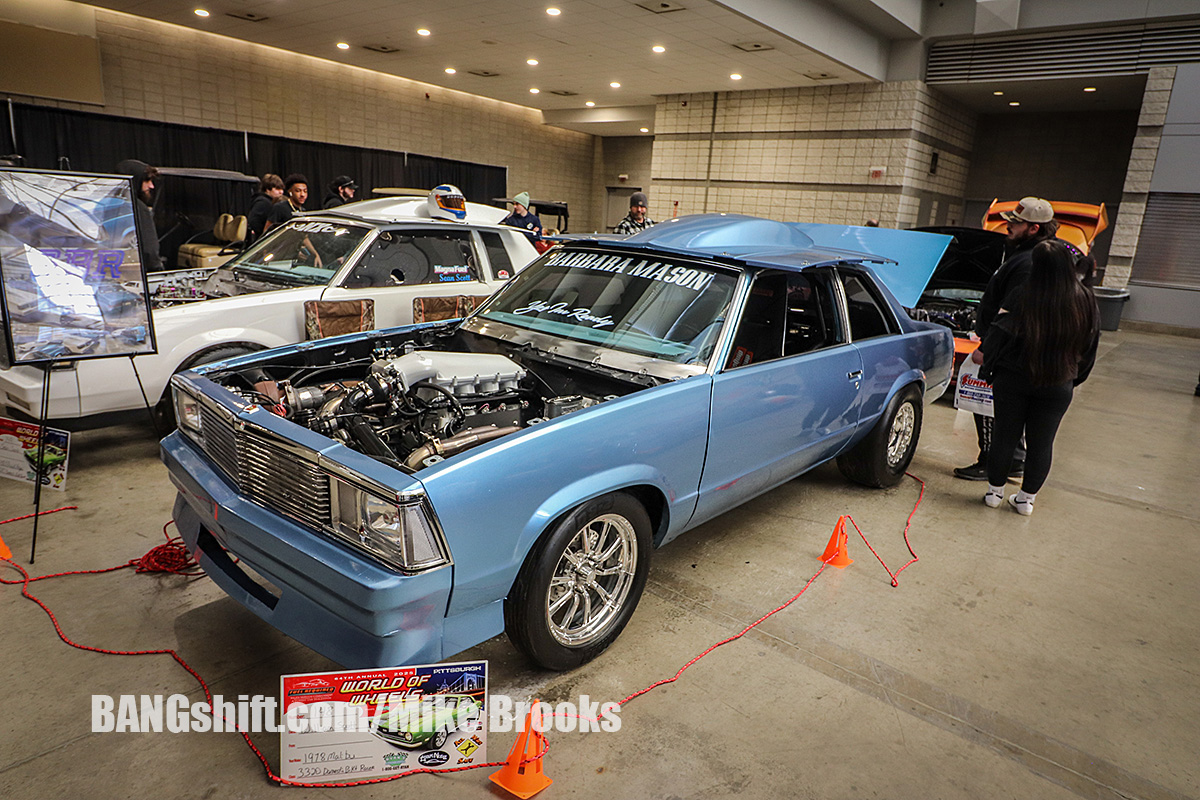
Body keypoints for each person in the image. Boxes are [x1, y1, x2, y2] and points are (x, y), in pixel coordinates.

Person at [977, 240, 1100, 516]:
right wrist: (1073, 378)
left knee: (1004, 436)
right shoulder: (1084, 298)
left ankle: (994, 493)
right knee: (1042, 443)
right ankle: (1026, 500)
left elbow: (999, 333)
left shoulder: (1022, 293)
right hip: (1058, 382)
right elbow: (1090, 345)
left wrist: (988, 365)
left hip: (1013, 378)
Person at [954, 196, 1059, 481]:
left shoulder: (1029, 262)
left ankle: (993, 460)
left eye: (1016, 223)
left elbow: (1012, 314)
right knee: (1001, 411)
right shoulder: (1026, 255)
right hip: (1010, 349)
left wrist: (988, 348)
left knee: (988, 406)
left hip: (1008, 351)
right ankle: (1012, 458)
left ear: (1034, 228)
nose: (1008, 227)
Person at [116, 159, 161, 269]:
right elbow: (149, 250)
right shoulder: (138, 208)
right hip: (135, 272)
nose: (151, 186)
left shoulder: (106, 204)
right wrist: (156, 267)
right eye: (147, 180)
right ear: (135, 180)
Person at [246, 173, 284, 242]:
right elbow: (254, 222)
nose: (281, 192)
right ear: (268, 189)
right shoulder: (263, 203)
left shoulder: (262, 200)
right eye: (277, 189)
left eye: (281, 189)